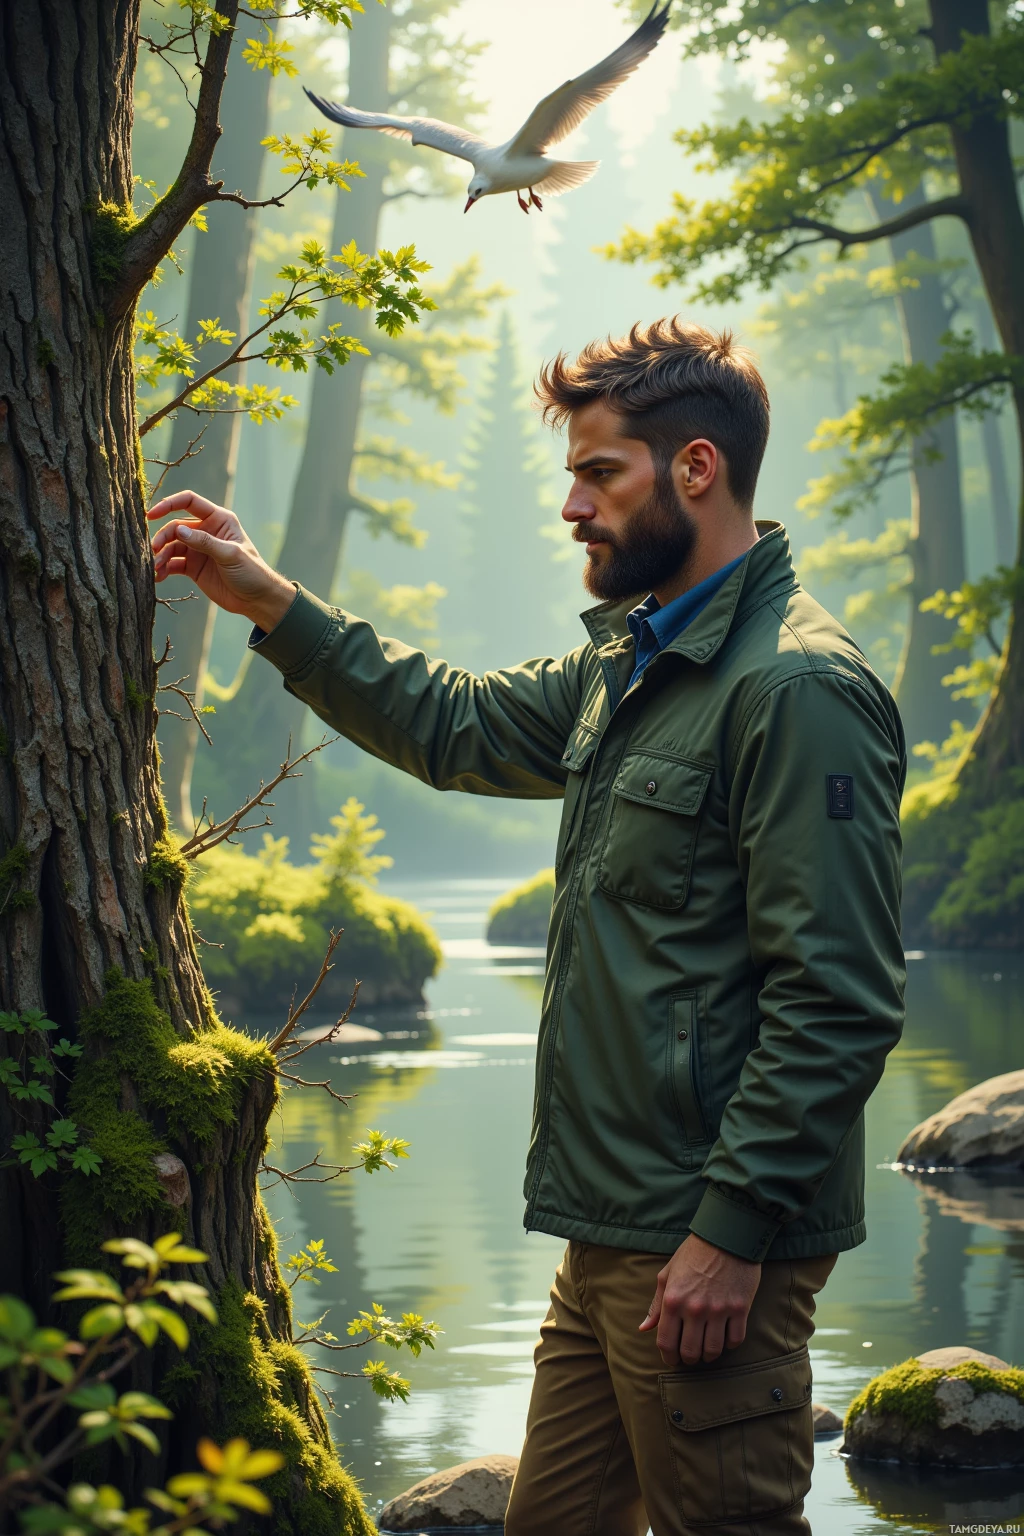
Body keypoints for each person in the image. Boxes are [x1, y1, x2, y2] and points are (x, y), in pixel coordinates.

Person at [149, 318, 906, 1536]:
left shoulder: (794, 689)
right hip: (605, 1233)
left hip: (703, 1245)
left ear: (695, 469)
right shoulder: (636, 660)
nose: (570, 506)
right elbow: (451, 723)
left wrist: (728, 1234)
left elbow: (839, 998)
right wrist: (267, 601)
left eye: (597, 473)